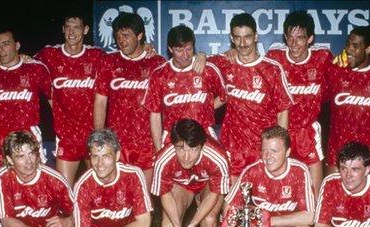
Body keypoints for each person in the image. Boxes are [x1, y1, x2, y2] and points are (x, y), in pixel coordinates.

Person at [209, 13, 292, 182]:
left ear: (256, 37)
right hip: (233, 147)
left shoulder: (272, 69)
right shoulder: (224, 63)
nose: (242, 43)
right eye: (237, 38)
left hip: (263, 148)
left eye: (247, 37)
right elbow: (191, 61)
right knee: (234, 202)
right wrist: (202, 55)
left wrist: (280, 147)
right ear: (232, 38)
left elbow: (283, 111)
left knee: (262, 201)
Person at [266, 11, 334, 196]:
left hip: (307, 132)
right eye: (290, 37)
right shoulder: (274, 58)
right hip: (280, 130)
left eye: (300, 38)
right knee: (278, 190)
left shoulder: (323, 58)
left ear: (310, 38)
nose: (294, 44)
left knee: (315, 191)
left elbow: (350, 68)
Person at [93, 12, 166, 186]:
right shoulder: (108, 62)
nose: (121, 41)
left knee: (144, 200)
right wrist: (99, 137)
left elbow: (166, 105)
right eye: (118, 36)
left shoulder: (156, 63)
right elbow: (100, 101)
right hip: (117, 143)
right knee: (117, 199)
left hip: (147, 144)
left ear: (139, 35)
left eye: (126, 35)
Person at [33, 13, 104, 186]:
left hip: (93, 135)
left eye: (77, 27)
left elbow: (124, 60)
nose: (71, 32)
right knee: (64, 192)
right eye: (68, 27)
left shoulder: (97, 56)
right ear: (63, 29)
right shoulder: (49, 54)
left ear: (85, 29)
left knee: (100, 188)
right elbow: (20, 64)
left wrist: (146, 48)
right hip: (66, 136)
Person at [0, 28, 51, 172]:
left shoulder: (36, 69)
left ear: (17, 45)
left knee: (32, 185)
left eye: (6, 44)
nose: (1, 49)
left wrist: (61, 135)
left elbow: (53, 101)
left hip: (29, 138)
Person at [142, 24, 226, 151]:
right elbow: (155, 115)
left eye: (189, 49)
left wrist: (205, 107)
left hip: (204, 136)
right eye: (179, 50)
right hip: (172, 139)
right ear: (170, 49)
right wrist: (158, 148)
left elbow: (224, 97)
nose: (185, 55)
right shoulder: (160, 74)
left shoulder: (207, 69)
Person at [325, 26, 370, 174]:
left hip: (369, 154)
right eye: (348, 43)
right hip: (337, 152)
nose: (349, 49)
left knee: (367, 197)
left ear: (368, 49)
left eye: (355, 46)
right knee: (333, 196)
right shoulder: (334, 70)